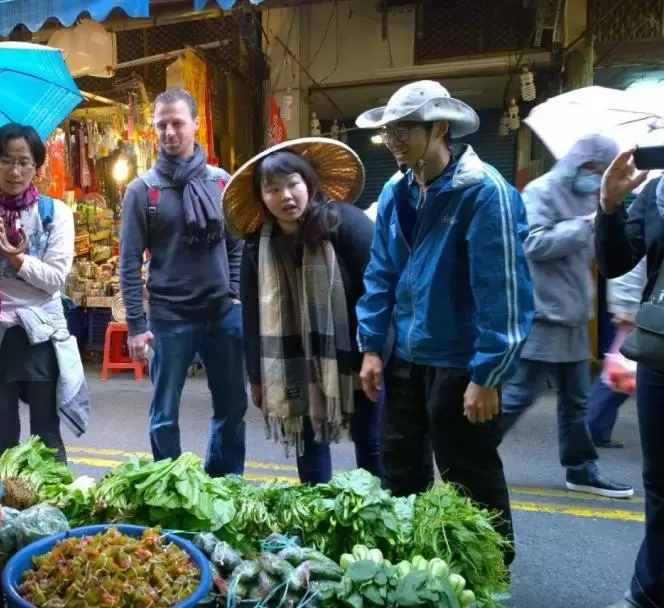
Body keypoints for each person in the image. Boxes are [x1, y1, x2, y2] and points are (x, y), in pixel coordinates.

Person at [353, 80, 533, 561]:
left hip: (461, 361)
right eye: (389, 131)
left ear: (439, 128)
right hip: (407, 355)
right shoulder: (397, 189)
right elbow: (381, 271)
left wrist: (488, 375)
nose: (393, 140)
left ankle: (489, 572)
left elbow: (503, 292)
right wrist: (372, 346)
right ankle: (413, 566)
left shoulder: (484, 193)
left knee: (468, 472)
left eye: (404, 129)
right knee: (400, 467)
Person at [226, 137, 382, 484]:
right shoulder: (256, 247)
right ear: (262, 198)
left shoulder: (346, 224)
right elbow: (251, 315)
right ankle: (321, 516)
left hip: (354, 356)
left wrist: (374, 350)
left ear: (308, 182)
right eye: (273, 189)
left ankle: (380, 516)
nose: (286, 196)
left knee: (370, 441)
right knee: (309, 444)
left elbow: (380, 290)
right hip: (294, 363)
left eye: (293, 183)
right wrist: (256, 377)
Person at [118, 88, 248, 477]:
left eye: (177, 123)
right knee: (164, 413)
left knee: (232, 408)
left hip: (222, 315)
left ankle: (223, 484)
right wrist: (137, 327)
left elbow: (236, 245)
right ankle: (173, 487)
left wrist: (236, 293)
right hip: (169, 319)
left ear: (195, 124)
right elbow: (128, 262)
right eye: (162, 125)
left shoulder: (222, 183)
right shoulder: (143, 190)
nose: (170, 132)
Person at [498, 134, 633, 498]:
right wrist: (586, 225)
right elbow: (531, 243)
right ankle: (469, 452)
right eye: (593, 169)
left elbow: (592, 252)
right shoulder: (542, 190)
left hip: (573, 313)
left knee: (577, 402)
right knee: (518, 396)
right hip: (543, 313)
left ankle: (581, 469)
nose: (596, 176)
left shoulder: (591, 196)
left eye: (602, 172)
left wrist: (603, 221)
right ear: (578, 162)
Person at [0, 123, 89, 463]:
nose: (15, 170)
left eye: (24, 161)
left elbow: (54, 278)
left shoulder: (55, 214)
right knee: (3, 437)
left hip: (40, 336)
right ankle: (8, 510)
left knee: (46, 435)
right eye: (5, 160)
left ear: (37, 167)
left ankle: (57, 507)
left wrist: (11, 253)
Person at [595, 149, 664, 608]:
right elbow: (616, 262)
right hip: (660, 350)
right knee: (659, 480)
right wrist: (609, 206)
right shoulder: (657, 192)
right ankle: (649, 590)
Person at [587, 256, 646, 448]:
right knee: (619, 375)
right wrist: (626, 308)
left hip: (636, 307)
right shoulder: (642, 227)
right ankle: (592, 427)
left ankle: (594, 428)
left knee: (620, 375)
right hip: (634, 310)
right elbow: (631, 266)